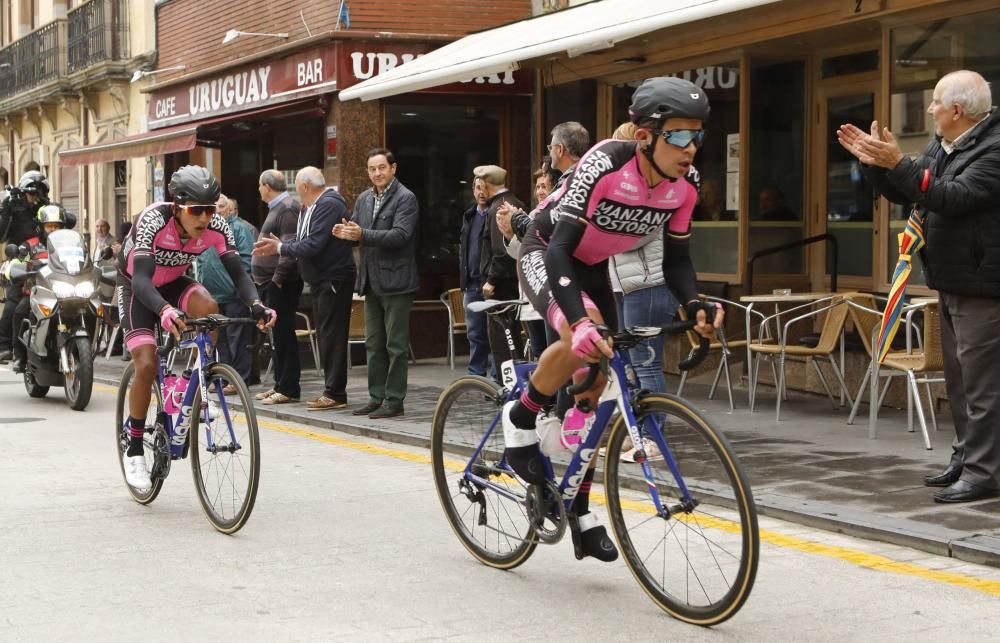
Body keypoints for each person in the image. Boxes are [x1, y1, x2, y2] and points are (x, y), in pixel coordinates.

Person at [505, 76, 722, 561]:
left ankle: (578, 508)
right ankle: (521, 417)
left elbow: (678, 262)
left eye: (698, 136)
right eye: (679, 136)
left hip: (595, 264)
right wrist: (580, 321)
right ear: (645, 135)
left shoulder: (684, 187)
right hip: (549, 251)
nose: (691, 148)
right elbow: (560, 246)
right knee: (580, 337)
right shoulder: (605, 161)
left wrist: (694, 306)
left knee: (596, 383)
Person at [838, 69, 1000, 504]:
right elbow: (913, 192)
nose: (929, 110)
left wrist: (899, 163)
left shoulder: (995, 148)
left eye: (934, 103)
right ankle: (965, 460)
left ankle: (984, 473)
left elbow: (953, 196)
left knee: (983, 388)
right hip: (950, 280)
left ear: (957, 110)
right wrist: (874, 165)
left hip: (984, 288)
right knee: (961, 383)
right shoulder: (946, 144)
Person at [117, 166, 276, 492]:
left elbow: (238, 273)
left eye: (210, 208)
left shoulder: (217, 227)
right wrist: (162, 309)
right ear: (177, 208)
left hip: (175, 282)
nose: (205, 217)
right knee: (145, 364)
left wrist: (256, 305)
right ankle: (133, 448)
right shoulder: (153, 220)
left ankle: (192, 382)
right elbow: (144, 279)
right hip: (137, 287)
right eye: (196, 210)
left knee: (209, 309)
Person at [608, 122, 682, 462]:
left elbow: (634, 234)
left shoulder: (656, 187)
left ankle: (653, 439)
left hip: (649, 286)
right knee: (632, 367)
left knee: (647, 364)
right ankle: (636, 432)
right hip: (626, 286)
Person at [253, 167, 356, 411]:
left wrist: (279, 248)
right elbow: (301, 241)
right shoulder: (309, 207)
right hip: (320, 280)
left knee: (332, 336)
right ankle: (331, 391)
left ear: (305, 186)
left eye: (297, 185)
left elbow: (313, 244)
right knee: (326, 334)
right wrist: (285, 246)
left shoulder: (328, 204)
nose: (295, 191)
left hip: (333, 279)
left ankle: (335, 393)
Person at [333, 148, 419, 419]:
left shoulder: (406, 198)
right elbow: (358, 231)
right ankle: (376, 396)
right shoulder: (364, 198)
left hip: (397, 282)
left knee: (396, 345)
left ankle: (394, 401)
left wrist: (362, 233)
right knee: (373, 344)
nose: (377, 173)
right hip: (370, 281)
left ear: (393, 168)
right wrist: (347, 233)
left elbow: (400, 236)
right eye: (372, 169)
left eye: (382, 167)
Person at [0, 171, 76, 363]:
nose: (35, 198)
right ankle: (6, 346)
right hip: (21, 258)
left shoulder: (51, 209)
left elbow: (68, 226)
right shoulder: (13, 208)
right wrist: (5, 212)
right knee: (14, 305)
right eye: (31, 194)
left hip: (52, 260)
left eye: (39, 193)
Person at [193, 194, 257, 392]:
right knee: (220, 340)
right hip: (213, 296)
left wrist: (238, 287)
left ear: (229, 209)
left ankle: (240, 380)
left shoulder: (239, 228)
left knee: (237, 339)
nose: (217, 210)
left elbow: (246, 261)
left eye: (221, 207)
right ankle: (223, 378)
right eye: (214, 207)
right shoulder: (205, 231)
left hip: (234, 295)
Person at [252, 169, 303, 405]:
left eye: (260, 185)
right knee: (275, 335)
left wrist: (276, 280)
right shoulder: (277, 207)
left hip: (280, 284)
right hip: (269, 283)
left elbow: (289, 249)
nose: (259, 190)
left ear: (267, 186)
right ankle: (279, 385)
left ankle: (289, 388)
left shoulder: (288, 208)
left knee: (283, 334)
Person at [474, 164, 526, 369]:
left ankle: (509, 387)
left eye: (481, 185)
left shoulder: (498, 208)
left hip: (502, 286)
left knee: (503, 341)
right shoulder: (514, 202)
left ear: (486, 185)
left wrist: (490, 280)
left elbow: (501, 250)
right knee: (511, 338)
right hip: (514, 281)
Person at [6, 204, 68, 373]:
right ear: (41, 227)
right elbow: (16, 262)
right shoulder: (30, 245)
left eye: (57, 226)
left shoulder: (68, 245)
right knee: (19, 311)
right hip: (38, 293)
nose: (53, 230)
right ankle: (19, 356)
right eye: (49, 226)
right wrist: (13, 269)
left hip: (66, 291)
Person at [459, 176, 491, 376]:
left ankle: (497, 378)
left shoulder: (496, 212)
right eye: (478, 188)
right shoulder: (469, 215)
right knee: (475, 334)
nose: (481, 192)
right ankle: (476, 375)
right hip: (471, 284)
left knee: (494, 333)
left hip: (491, 283)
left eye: (485, 188)